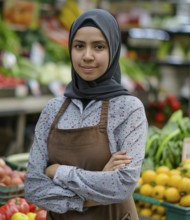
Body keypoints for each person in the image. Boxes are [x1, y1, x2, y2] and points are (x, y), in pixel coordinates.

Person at [24, 8, 148, 220]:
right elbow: (34, 187)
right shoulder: (53, 109)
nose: (87, 56)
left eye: (98, 46)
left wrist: (57, 172)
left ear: (113, 49)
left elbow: (121, 186)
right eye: (79, 46)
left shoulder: (128, 108)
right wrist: (92, 191)